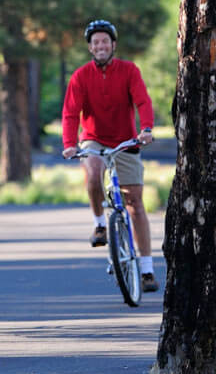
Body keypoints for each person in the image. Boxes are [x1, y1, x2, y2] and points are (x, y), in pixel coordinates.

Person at [60, 19, 158, 292]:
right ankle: (100, 225)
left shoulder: (129, 71)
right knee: (92, 173)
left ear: (113, 45)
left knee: (135, 204)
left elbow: (142, 101)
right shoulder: (80, 76)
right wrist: (70, 143)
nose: (100, 46)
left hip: (126, 141)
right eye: (95, 43)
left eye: (105, 41)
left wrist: (146, 129)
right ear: (90, 48)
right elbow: (70, 113)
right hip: (93, 140)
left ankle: (147, 270)